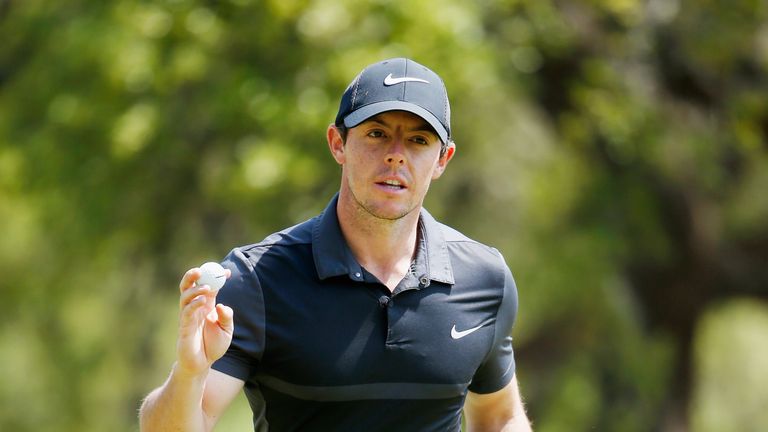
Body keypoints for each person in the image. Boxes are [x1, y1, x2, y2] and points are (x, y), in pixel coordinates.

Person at [139, 57, 532, 431]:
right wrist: (189, 373)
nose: (396, 156)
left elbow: (500, 418)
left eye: (418, 139)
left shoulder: (484, 279)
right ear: (338, 143)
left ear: (443, 159)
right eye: (377, 134)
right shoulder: (257, 280)